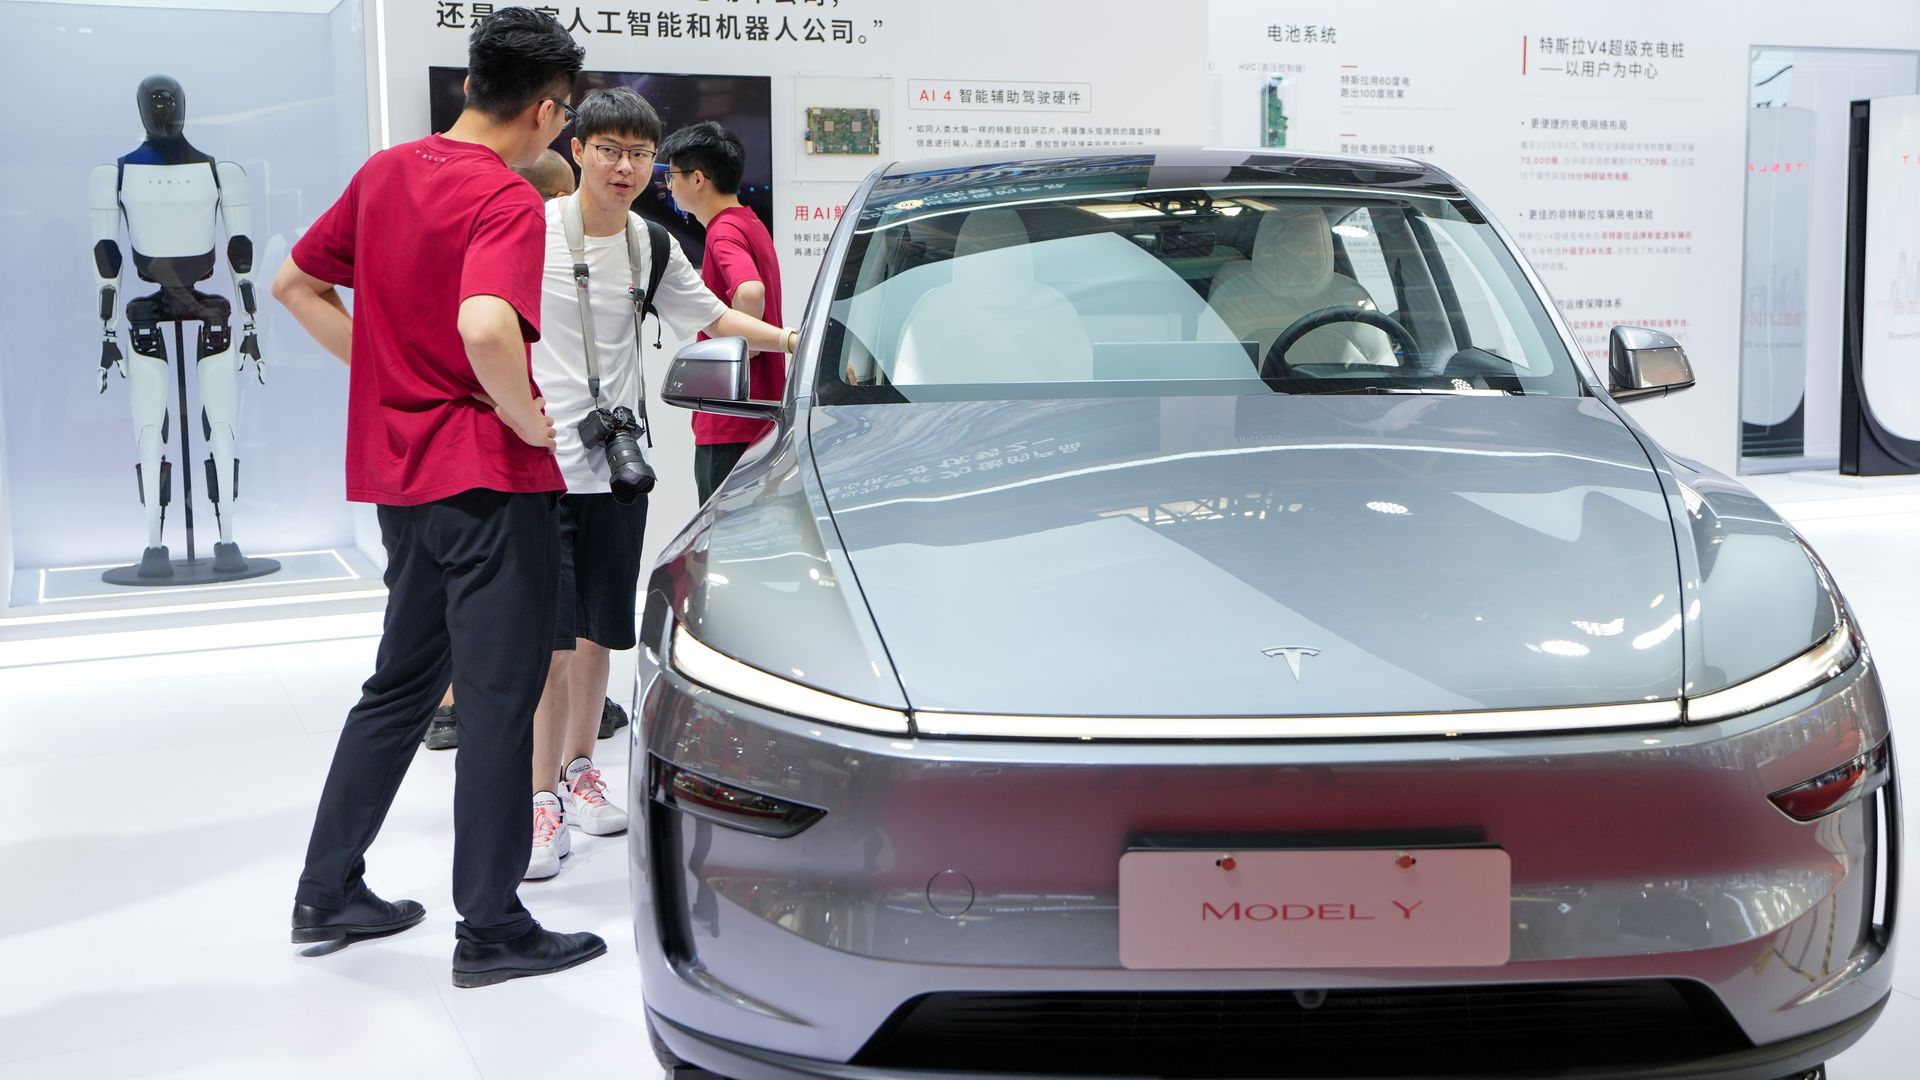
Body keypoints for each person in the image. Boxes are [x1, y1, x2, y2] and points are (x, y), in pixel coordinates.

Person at [270, 7, 605, 989]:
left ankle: (328, 889)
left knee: (401, 687)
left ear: (469, 85)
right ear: (547, 113)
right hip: (488, 481)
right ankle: (492, 926)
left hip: (400, 480)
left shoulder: (383, 175)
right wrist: (526, 418)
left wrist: (383, 373)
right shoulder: (503, 201)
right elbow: (488, 326)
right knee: (499, 702)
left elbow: (294, 283)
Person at [524, 87, 799, 879]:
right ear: (578, 149)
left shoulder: (650, 245)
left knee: (599, 633)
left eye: (641, 155)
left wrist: (790, 338)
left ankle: (580, 770)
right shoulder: (530, 228)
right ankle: (540, 799)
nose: (626, 166)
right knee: (546, 645)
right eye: (610, 149)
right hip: (539, 466)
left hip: (618, 467)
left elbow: (712, 317)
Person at [427, 145, 578, 755]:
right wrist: (524, 419)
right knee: (495, 598)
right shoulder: (518, 241)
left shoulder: (466, 244)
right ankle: (464, 705)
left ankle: (445, 703)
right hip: (505, 446)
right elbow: (490, 337)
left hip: (442, 452)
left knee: (451, 592)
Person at [656, 121, 786, 503]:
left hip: (730, 421)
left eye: (673, 175)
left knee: (719, 545)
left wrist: (747, 349)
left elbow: (749, 289)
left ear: (698, 179)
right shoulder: (748, 222)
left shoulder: (723, 231)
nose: (669, 185)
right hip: (757, 418)